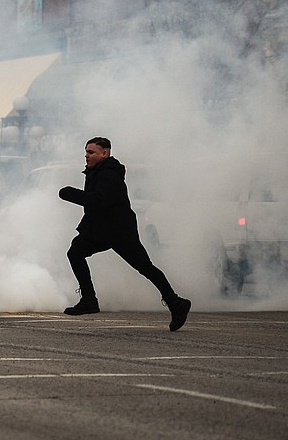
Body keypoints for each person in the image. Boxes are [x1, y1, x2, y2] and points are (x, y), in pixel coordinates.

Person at [58, 137, 191, 332]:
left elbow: (99, 200)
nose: (86, 155)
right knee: (75, 252)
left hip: (118, 231)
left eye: (91, 152)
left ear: (105, 153)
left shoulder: (108, 174)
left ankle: (176, 303)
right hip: (101, 229)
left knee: (145, 267)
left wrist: (70, 193)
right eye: (86, 152)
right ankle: (88, 299)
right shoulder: (98, 171)